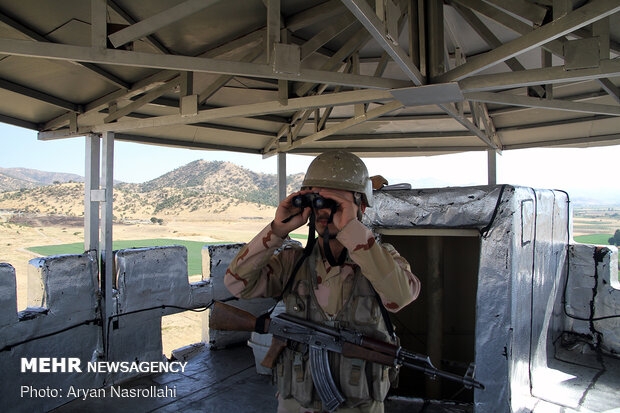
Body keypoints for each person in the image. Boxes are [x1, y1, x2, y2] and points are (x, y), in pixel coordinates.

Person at [224, 150, 421, 413]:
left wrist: (353, 231)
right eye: (317, 200)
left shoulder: (382, 261)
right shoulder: (293, 262)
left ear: (361, 207)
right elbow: (237, 285)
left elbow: (401, 296)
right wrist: (277, 230)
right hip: (296, 403)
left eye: (335, 202)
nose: (324, 211)